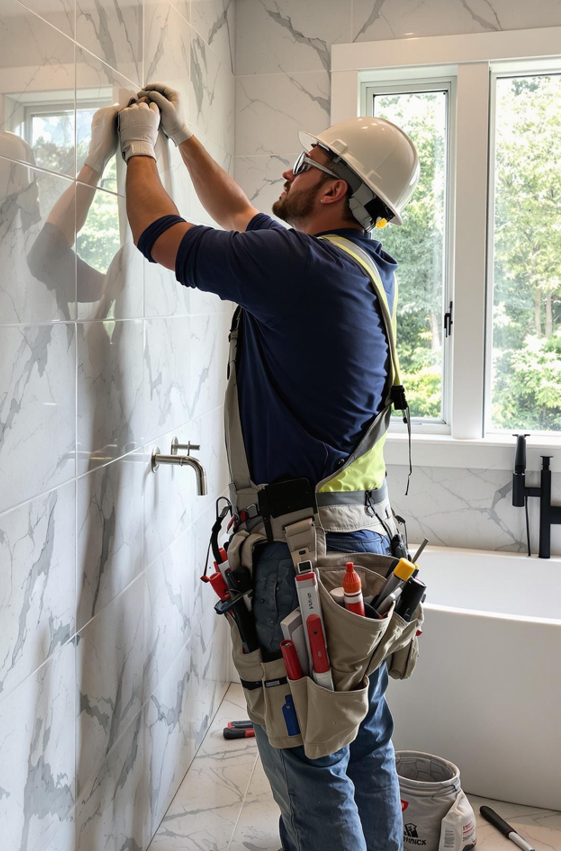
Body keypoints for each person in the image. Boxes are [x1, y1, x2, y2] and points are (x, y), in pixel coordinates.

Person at [117, 83, 421, 851]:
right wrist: (185, 134)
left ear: (332, 188)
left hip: (306, 557)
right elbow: (238, 218)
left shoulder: (301, 268)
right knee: (359, 740)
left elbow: (157, 232)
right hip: (364, 546)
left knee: (307, 759)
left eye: (300, 165)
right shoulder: (360, 266)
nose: (285, 177)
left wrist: (139, 145)